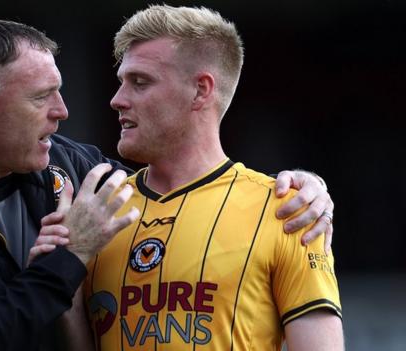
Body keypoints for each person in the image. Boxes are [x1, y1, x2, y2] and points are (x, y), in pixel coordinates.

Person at [0, 16, 335, 351]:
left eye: (138, 83)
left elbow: (193, 190)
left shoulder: (76, 174)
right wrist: (66, 263)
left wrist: (308, 185)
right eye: (42, 98)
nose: (65, 112)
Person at [35, 5, 343, 351]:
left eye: (140, 82)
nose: (117, 100)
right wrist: (66, 286)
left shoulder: (288, 211)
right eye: (121, 82)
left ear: (201, 90)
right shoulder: (94, 217)